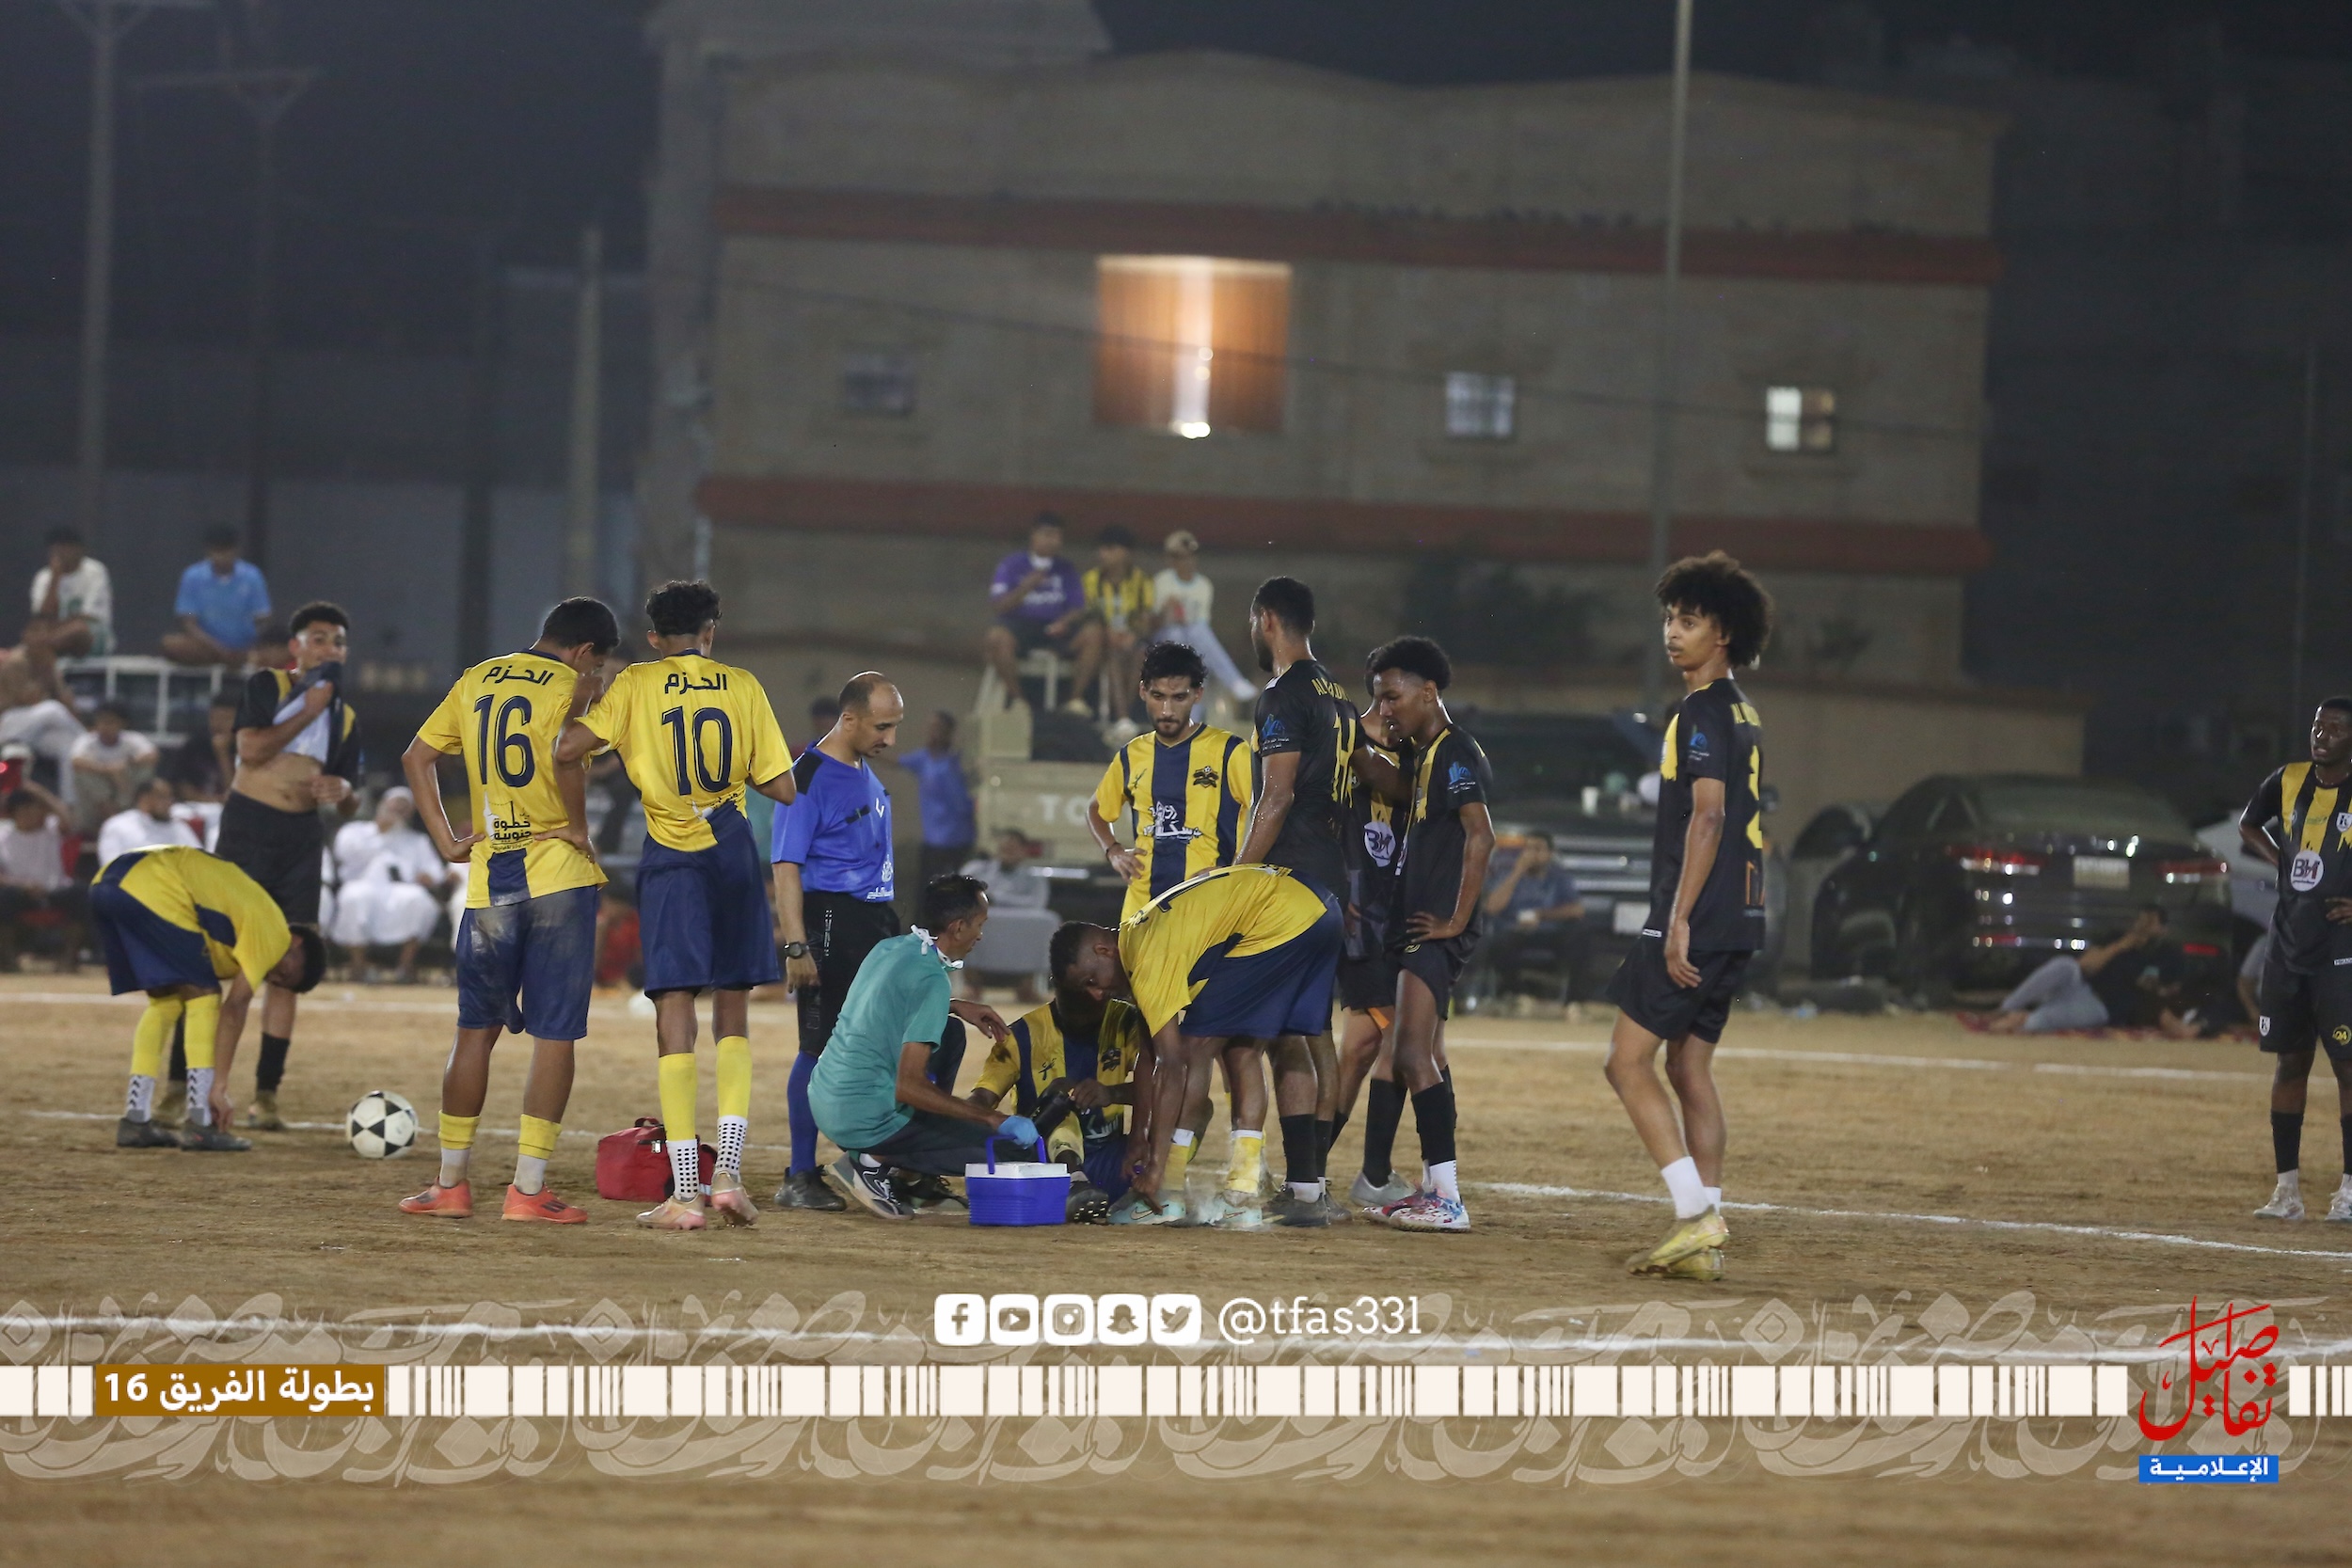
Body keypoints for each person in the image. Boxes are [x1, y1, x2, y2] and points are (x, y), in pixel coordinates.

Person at [558, 580, 797, 1231]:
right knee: (734, 1009)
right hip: (732, 850)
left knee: (674, 1010)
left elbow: (568, 749)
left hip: (672, 855)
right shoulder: (743, 686)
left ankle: (686, 1192)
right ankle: (730, 1176)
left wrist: (593, 706)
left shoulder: (637, 682)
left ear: (655, 638)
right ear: (710, 632)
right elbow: (782, 786)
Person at [397, 596, 621, 1224]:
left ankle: (449, 1184)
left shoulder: (478, 677)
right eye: (597, 664)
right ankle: (527, 1190)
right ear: (584, 651)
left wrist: (446, 840)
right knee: (554, 1033)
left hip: (490, 879)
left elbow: (416, 757)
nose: (597, 675)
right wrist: (577, 826)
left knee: (475, 1031)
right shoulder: (574, 687)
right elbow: (567, 753)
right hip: (558, 877)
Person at [1602, 551, 1774, 1283]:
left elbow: (1708, 816)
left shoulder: (1699, 711)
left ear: (1724, 633)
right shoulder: (1742, 710)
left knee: (1625, 1061)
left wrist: (1677, 918)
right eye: (1670, 618)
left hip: (1699, 914)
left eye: (1691, 620)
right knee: (1689, 1064)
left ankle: (1693, 1213)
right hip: (1742, 913)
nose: (1673, 632)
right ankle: (1706, 1234)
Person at [1052, 863, 1344, 1227]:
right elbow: (1148, 1056)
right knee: (1249, 1047)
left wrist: (1156, 1168)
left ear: (1103, 950)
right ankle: (1298, 1191)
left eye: (1092, 980)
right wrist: (1138, 1138)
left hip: (1283, 918)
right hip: (1317, 909)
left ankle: (1186, 1192)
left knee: (1199, 1048)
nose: (1097, 994)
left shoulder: (1148, 957)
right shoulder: (1136, 938)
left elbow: (1172, 1065)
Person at [1232, 575, 1386, 1226]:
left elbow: (1277, 796)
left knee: (1269, 1035)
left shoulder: (1283, 695)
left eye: (1252, 621)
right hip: (1329, 877)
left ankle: (1297, 1184)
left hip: (1289, 881)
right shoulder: (1338, 696)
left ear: (1266, 619)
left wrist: (1237, 877)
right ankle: (1309, 1185)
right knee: (1311, 1029)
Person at [1359, 637, 1492, 1234]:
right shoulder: (1425, 755)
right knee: (1422, 1053)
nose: (1385, 709)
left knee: (1411, 1054)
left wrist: (1456, 921)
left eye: (1393, 697)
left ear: (1429, 692)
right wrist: (1349, 741)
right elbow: (1385, 777)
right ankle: (1433, 1188)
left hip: (1435, 925)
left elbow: (1481, 836)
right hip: (1418, 922)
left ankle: (1448, 1197)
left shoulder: (1455, 751)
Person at [212, 601, 361, 1131]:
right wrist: (309, 709)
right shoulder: (268, 686)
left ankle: (266, 1095)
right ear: (296, 647)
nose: (330, 648)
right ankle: (191, 1086)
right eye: (319, 638)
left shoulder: (345, 716)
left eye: (338, 641)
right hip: (249, 829)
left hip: (301, 839)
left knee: (291, 965)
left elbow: (349, 799)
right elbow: (251, 751)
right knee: (219, 957)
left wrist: (343, 792)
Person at [812, 875, 1027, 1218]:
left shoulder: (892, 948)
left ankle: (911, 1178)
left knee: (951, 1032)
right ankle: (870, 1163)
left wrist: (953, 1006)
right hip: (865, 1119)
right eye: (979, 924)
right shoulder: (932, 980)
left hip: (827, 1097)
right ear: (958, 928)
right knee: (1008, 1152)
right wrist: (992, 1118)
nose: (981, 935)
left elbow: (889, 1004)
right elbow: (909, 1087)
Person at [771, 672, 904, 1212]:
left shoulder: (861, 768)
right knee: (819, 1046)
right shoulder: (806, 778)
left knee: (883, 1044)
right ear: (848, 720)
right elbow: (785, 866)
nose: (890, 739)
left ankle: (873, 1162)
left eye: (894, 726)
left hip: (874, 921)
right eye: (882, 727)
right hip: (830, 921)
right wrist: (796, 946)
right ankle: (800, 1174)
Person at [93, 844, 325, 1152]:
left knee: (165, 1002)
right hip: (153, 884)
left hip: (106, 882)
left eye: (281, 982)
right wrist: (219, 1086)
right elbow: (235, 1007)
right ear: (295, 941)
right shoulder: (275, 934)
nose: (275, 978)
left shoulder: (234, 935)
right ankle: (201, 1121)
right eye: (286, 972)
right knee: (205, 996)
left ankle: (135, 1120)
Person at [2238, 696, 2352, 1224]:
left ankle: (2349, 1192)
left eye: (2335, 729)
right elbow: (2249, 825)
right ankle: (2287, 1193)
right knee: (2290, 1063)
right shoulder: (2288, 780)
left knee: (2348, 1068)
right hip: (2287, 945)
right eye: (2317, 726)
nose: (2322, 736)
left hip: (2341, 951)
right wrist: (2279, 860)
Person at [969, 920, 1148, 1221]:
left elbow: (1166, 1084)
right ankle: (1075, 1182)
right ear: (1058, 986)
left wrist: (1112, 1093)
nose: (1096, 994)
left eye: (1095, 983)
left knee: (1193, 1107)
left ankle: (1160, 1188)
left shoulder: (1126, 1021)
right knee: (1062, 1095)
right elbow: (980, 1102)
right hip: (1046, 1171)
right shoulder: (1020, 1036)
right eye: (1085, 986)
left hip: (1114, 1164)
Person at [1087, 640, 1253, 924]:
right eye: (1158, 696)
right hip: (1142, 912)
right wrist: (1113, 851)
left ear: (1197, 695)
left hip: (1209, 909)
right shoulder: (1132, 755)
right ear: (1142, 691)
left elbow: (1269, 813)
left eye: (1178, 698)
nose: (1166, 710)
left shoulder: (1229, 752)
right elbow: (1096, 810)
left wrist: (1235, 869)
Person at [1336, 692, 1415, 1211]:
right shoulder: (1341, 737)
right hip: (1361, 917)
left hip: (1393, 916)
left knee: (1363, 1046)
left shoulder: (1412, 749)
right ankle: (1375, 1173)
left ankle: (1308, 1172)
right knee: (1406, 1040)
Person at [329, 787, 459, 981]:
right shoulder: (354, 831)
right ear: (382, 804)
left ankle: (405, 966)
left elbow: (435, 871)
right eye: (395, 804)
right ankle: (358, 966)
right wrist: (381, 831)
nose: (398, 809)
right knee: (354, 897)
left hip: (401, 889)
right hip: (362, 884)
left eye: (404, 807)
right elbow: (343, 854)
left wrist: (428, 877)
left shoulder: (417, 840)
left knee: (418, 900)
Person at [1981, 908, 2170, 1035]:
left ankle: (2022, 1022)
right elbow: (2086, 966)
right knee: (2065, 964)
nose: (2143, 927)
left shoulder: (2162, 954)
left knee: (2045, 1019)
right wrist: (2120, 946)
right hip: (2081, 986)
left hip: (2101, 1007)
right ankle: (2006, 1008)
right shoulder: (2115, 939)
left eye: (2150, 923)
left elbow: (2154, 989)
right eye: (2141, 921)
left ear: (2162, 930)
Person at [980, 513, 1094, 711]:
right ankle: (1018, 700)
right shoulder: (1011, 565)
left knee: (1094, 634)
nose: (1054, 542)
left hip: (1057, 628)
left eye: (1058, 536)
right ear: (1034, 535)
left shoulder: (1066, 569)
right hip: (1021, 626)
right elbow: (999, 606)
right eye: (1048, 535)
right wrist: (1026, 587)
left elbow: (1079, 607)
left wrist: (1065, 621)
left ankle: (1075, 700)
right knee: (996, 637)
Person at [1149, 530, 1257, 704]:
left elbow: (1202, 624)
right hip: (1166, 636)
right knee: (1179, 635)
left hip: (1193, 636)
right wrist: (1166, 610)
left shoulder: (1204, 585)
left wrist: (1185, 619)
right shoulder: (1161, 581)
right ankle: (1233, 681)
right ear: (1172, 560)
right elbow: (1153, 623)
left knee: (1198, 640)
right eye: (1181, 557)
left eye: (1190, 556)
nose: (1187, 562)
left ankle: (1232, 683)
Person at [1481, 834, 1589, 1002]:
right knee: (1500, 942)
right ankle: (1514, 994)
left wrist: (1541, 914)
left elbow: (1577, 910)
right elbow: (1491, 908)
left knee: (1581, 933)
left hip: (1549, 932)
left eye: (1538, 849)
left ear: (1550, 854)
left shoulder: (1558, 877)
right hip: (1515, 931)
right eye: (1528, 849)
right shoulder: (1507, 875)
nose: (1532, 854)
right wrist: (1517, 872)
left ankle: (1574, 1000)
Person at [958, 829, 1055, 1003]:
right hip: (982, 916)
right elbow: (961, 894)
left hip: (1020, 920)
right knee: (966, 920)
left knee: (1048, 921)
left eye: (1013, 849)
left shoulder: (1034, 878)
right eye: (1004, 848)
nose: (1007, 853)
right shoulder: (976, 870)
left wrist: (997, 899)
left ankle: (1027, 984)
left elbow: (1037, 903)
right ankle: (972, 984)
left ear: (1024, 852)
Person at [163, 525, 273, 667]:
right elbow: (188, 621)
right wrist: (218, 649)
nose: (221, 557)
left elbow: (262, 618)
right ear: (208, 551)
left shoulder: (252, 576)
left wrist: (251, 645)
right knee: (170, 644)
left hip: (244, 647)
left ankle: (237, 659)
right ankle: (226, 660)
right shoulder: (192, 576)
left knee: (276, 652)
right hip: (207, 647)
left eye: (226, 551)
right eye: (217, 552)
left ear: (236, 551)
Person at [0, 784, 82, 972]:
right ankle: (7, 958)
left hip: (55, 891)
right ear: (14, 813)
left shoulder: (51, 829)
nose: (31, 814)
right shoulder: (3, 836)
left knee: (82, 894)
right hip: (20, 892)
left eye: (34, 809)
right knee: (3, 899)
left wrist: (37, 790)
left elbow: (67, 817)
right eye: (25, 810)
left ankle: (69, 957)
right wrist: (22, 885)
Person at [1081, 524, 1155, 714]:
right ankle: (1123, 716)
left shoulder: (1142, 582)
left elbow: (1145, 618)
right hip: (1104, 641)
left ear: (1126, 553)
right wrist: (1109, 634)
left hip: (1132, 639)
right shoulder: (1091, 580)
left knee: (1141, 655)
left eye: (1110, 549)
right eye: (1102, 549)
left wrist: (1133, 636)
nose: (1103, 554)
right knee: (1113, 656)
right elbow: (1088, 615)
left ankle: (1125, 714)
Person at [0, 641, 85, 800]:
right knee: (53, 708)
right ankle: (86, 741)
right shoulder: (15, 662)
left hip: (33, 729)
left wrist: (52, 676)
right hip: (8, 722)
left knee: (67, 747)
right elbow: (19, 699)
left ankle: (69, 802)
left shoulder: (48, 667)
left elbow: (66, 701)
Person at [902, 710, 977, 887]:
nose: (932, 732)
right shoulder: (924, 759)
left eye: (937, 727)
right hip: (933, 840)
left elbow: (965, 800)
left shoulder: (955, 762)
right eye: (931, 727)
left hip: (958, 840)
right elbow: (895, 760)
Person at [69, 702, 158, 835]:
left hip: (126, 788)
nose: (105, 727)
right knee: (83, 775)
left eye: (111, 722)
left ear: (122, 724)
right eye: (102, 722)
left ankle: (133, 814)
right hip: (99, 796)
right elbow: (76, 762)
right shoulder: (87, 740)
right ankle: (111, 817)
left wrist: (126, 765)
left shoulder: (132, 739)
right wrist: (108, 769)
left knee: (145, 770)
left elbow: (152, 755)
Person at [26, 526, 113, 658]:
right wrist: (55, 579)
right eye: (56, 548)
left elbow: (88, 616)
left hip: (92, 636)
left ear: (79, 549)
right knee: (33, 632)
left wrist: (55, 629)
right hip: (54, 636)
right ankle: (39, 650)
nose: (60, 552)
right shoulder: (43, 577)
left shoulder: (94, 571)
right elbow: (42, 617)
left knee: (78, 629)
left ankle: (36, 649)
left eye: (65, 547)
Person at [99, 775, 201, 865]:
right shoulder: (117, 826)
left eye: (170, 797)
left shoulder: (179, 827)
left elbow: (199, 859)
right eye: (162, 797)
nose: (169, 803)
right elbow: (111, 867)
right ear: (144, 799)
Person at [164, 694, 239, 803]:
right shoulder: (196, 743)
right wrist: (208, 800)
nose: (219, 724)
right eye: (214, 718)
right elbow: (179, 783)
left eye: (226, 719)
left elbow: (237, 793)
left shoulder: (245, 748)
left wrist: (222, 754)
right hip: (197, 804)